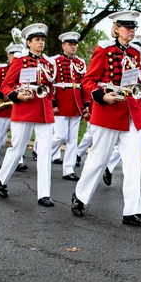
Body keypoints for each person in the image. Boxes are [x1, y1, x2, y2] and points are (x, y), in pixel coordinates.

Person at [71, 11, 141, 227]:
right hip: (107, 113)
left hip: (130, 114)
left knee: (133, 164)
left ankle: (133, 211)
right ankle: (80, 197)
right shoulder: (104, 50)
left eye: (134, 27)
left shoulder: (136, 53)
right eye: (127, 27)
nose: (131, 31)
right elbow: (88, 81)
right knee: (98, 160)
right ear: (116, 28)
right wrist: (101, 95)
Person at [0, 24, 57, 204]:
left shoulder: (47, 63)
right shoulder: (20, 61)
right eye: (37, 40)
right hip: (24, 108)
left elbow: (51, 87)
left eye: (42, 40)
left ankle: (44, 194)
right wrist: (17, 95)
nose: (41, 43)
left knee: (45, 152)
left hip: (44, 110)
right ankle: (1, 178)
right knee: (18, 149)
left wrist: (53, 104)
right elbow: (5, 85)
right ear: (28, 43)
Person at [49, 32, 88, 182]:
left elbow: (84, 84)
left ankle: (68, 169)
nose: (73, 47)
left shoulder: (80, 63)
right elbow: (51, 83)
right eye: (70, 44)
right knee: (61, 135)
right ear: (63, 45)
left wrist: (86, 103)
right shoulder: (55, 61)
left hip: (76, 102)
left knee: (72, 139)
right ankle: (43, 153)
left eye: (75, 44)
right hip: (61, 101)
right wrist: (53, 103)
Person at [0, 43, 25, 169]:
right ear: (8, 56)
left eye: (18, 53)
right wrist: (2, 96)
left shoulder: (25, 69)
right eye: (13, 54)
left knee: (18, 136)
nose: (16, 56)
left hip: (18, 106)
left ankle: (18, 161)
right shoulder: (1, 69)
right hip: (4, 107)